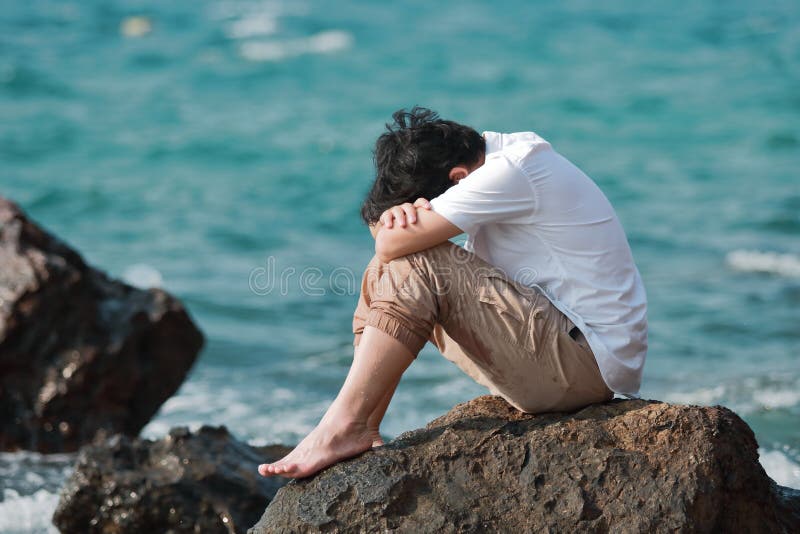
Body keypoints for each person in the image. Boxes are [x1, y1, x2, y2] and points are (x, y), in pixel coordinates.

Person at [259, 107, 647, 479]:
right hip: (559, 355)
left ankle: (342, 425)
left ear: (459, 178)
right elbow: (388, 248)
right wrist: (390, 220)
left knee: (416, 260)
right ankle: (364, 425)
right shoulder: (501, 157)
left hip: (584, 365)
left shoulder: (512, 170)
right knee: (386, 269)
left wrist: (389, 228)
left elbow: (392, 244)